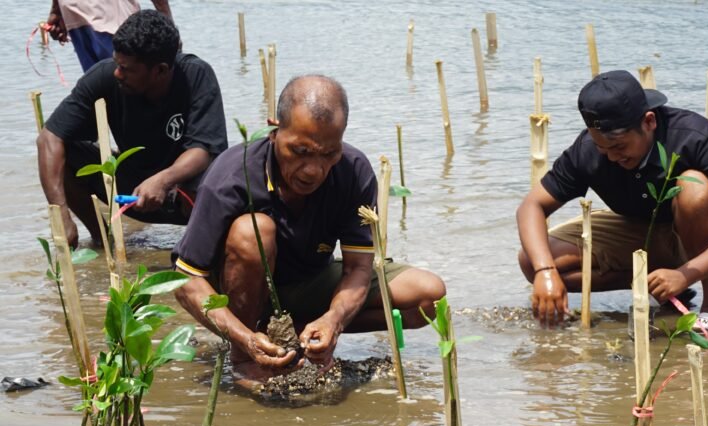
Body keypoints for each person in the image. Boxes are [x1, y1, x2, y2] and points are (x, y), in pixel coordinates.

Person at [172, 75, 446, 384]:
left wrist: (334, 321)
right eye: (300, 151)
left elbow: (358, 267)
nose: (313, 170)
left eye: (328, 154)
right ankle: (245, 359)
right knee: (253, 231)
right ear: (274, 132)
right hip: (242, 291)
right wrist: (243, 338)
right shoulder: (232, 175)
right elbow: (185, 280)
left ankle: (301, 334)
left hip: (309, 281)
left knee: (429, 298)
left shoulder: (353, 171)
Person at [516, 70, 708, 332]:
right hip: (646, 233)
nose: (612, 157)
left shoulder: (696, 136)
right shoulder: (587, 150)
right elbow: (531, 207)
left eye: (619, 146)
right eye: (602, 148)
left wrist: (685, 274)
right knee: (532, 259)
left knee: (695, 189)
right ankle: (662, 287)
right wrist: (545, 271)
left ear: (649, 122)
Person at [37, 9, 226, 249]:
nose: (118, 73)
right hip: (132, 192)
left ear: (160, 70)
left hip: (183, 191)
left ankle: (197, 251)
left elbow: (203, 150)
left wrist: (163, 180)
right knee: (64, 156)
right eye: (117, 64)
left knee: (212, 176)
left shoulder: (196, 75)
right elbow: (49, 138)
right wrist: (61, 215)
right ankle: (103, 241)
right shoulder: (104, 76)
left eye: (126, 69)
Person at [45, 0, 174, 73]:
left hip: (73, 10)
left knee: (101, 90)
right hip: (109, 15)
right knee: (132, 86)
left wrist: (56, 10)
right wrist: (170, 29)